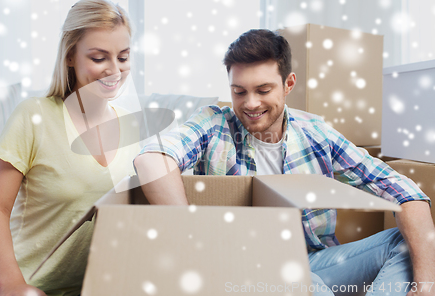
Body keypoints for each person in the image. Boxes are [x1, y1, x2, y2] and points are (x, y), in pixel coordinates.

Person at [134, 29, 435, 295]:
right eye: (239, 92)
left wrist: (425, 285)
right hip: (247, 270)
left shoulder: (316, 134)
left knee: (410, 242)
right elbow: (152, 158)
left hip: (317, 263)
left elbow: (407, 194)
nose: (250, 103)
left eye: (263, 90)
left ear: (288, 84)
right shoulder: (213, 124)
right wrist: (187, 235)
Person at [0, 0, 140, 296]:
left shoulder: (132, 127)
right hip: (28, 285)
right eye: (98, 57)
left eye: (123, 57)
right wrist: (11, 284)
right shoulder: (34, 116)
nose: (114, 70)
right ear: (70, 56)